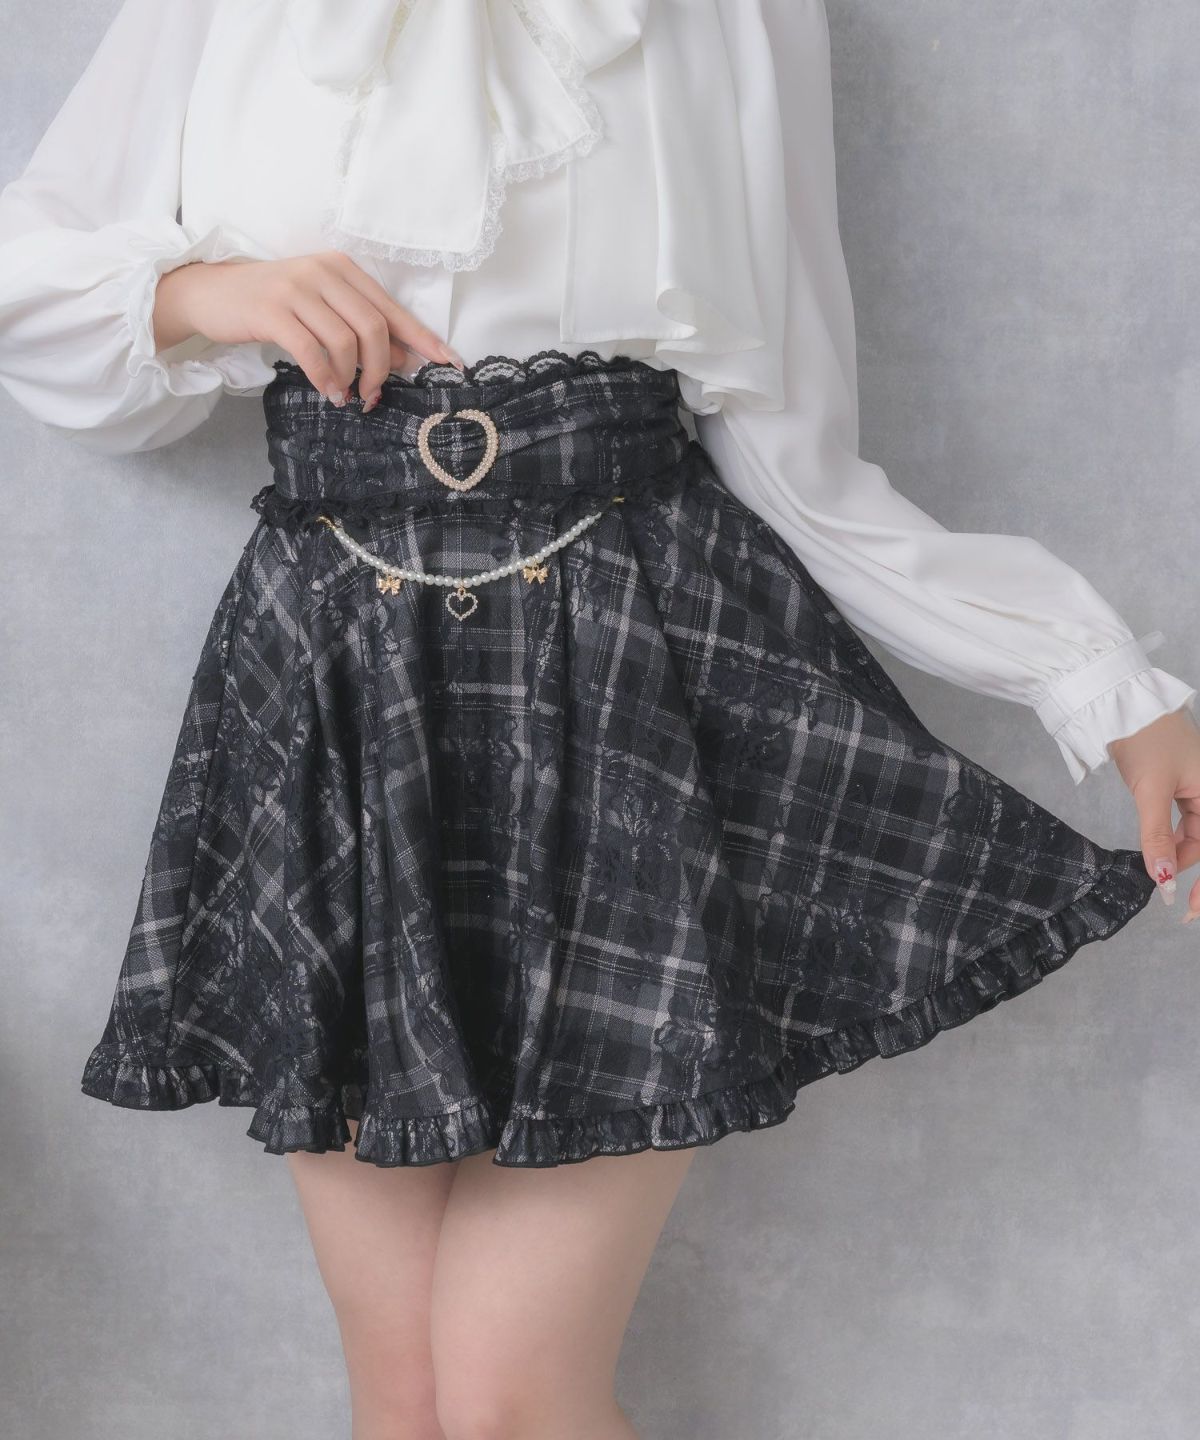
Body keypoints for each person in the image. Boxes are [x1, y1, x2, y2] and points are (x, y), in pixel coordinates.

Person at [2, 3, 1198, 1437]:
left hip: (627, 673)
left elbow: (799, 460)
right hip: (335, 679)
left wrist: (1104, 683)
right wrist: (208, 292)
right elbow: (32, 293)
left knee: (508, 1397)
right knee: (404, 1402)